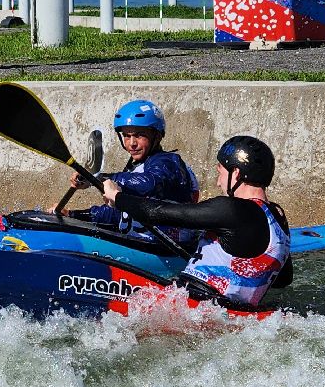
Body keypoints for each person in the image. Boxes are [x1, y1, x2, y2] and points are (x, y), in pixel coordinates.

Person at [100, 135, 291, 307]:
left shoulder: (231, 209)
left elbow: (160, 213)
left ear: (236, 173)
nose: (218, 182)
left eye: (220, 173)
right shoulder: (278, 219)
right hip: (235, 314)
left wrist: (117, 197)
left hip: (193, 308)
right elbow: (283, 278)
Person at [71, 98, 200, 245]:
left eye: (139, 135)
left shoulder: (169, 162)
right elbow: (118, 215)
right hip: (137, 246)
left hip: (167, 250)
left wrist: (99, 178)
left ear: (157, 136)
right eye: (127, 136)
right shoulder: (136, 168)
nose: (132, 143)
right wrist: (73, 215)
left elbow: (149, 183)